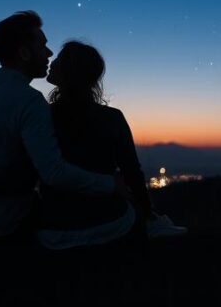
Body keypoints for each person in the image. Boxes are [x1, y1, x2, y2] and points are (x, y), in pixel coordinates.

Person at [0, 11, 129, 242]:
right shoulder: (29, 100)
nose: (49, 53)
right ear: (24, 53)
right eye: (42, 46)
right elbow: (53, 172)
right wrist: (110, 184)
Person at [37, 40, 187, 250]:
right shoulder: (112, 118)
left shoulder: (40, 116)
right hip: (108, 222)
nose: (52, 62)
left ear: (71, 71)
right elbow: (132, 172)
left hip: (55, 226)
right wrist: (148, 213)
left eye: (59, 60)